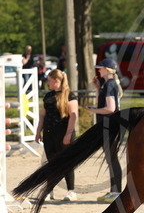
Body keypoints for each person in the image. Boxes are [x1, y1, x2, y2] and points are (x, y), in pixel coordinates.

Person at [35, 69, 78, 201]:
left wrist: (68, 135)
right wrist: (38, 131)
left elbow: (73, 116)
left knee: (66, 162)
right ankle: (50, 190)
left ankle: (71, 190)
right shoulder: (48, 95)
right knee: (51, 163)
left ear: (56, 80)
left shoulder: (70, 95)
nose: (47, 83)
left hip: (64, 132)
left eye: (49, 80)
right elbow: (43, 115)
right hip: (49, 133)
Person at [86, 58, 123, 203]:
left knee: (112, 159)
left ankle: (116, 191)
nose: (98, 70)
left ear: (107, 70)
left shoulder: (110, 84)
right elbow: (103, 103)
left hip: (110, 125)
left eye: (100, 68)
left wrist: (94, 111)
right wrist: (97, 88)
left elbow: (110, 108)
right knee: (110, 159)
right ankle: (114, 190)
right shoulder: (108, 84)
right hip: (109, 125)